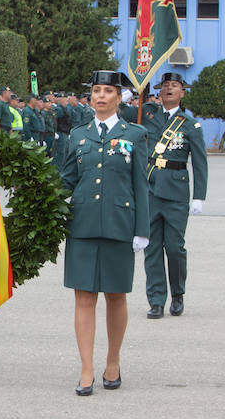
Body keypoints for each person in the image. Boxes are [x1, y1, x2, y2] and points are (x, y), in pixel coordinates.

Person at [60, 70, 150, 396]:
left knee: (115, 295)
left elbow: (141, 183)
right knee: (84, 296)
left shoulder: (135, 134)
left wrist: (143, 229)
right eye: (96, 90)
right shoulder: (78, 135)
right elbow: (66, 180)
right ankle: (86, 368)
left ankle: (112, 361)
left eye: (107, 91)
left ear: (119, 97)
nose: (100, 96)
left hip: (119, 224)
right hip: (82, 225)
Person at [141, 72, 208, 319]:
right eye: (165, 86)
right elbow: (123, 114)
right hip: (150, 190)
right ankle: (156, 300)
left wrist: (199, 196)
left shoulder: (190, 125)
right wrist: (130, 92)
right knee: (152, 248)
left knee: (175, 247)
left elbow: (200, 162)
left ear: (182, 92)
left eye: (175, 86)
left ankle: (177, 293)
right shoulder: (147, 115)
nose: (169, 89)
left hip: (177, 192)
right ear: (159, 92)